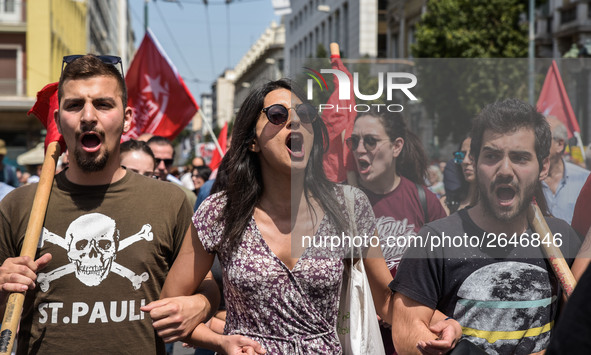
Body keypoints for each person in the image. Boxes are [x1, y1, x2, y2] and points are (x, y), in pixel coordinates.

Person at [144, 79, 461, 354]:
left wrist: (439, 320)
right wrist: (221, 342)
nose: (295, 123)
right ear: (252, 141)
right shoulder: (220, 211)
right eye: (278, 116)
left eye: (306, 115)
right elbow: (167, 311)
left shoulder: (349, 206)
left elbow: (387, 300)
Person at [0, 54, 217, 354]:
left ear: (127, 118)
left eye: (103, 104)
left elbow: (205, 284)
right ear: (58, 118)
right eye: (74, 105)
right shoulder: (18, 206)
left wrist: (201, 303)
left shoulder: (169, 201)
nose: (88, 116)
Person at [391, 99, 581, 354]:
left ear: (543, 167)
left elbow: (577, 328)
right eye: (492, 156)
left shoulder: (562, 238)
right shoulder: (435, 240)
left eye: (520, 158)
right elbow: (406, 331)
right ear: (474, 161)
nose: (505, 170)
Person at [347, 110, 448, 354]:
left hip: (418, 340)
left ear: (396, 146)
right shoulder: (342, 203)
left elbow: (445, 273)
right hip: (364, 340)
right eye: (354, 141)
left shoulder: (425, 201)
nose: (360, 149)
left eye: (370, 141)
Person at [541, 116, 590, 225]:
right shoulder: (527, 179)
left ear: (560, 144)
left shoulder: (585, 180)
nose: (536, 144)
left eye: (542, 139)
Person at [147, 135, 197, 206]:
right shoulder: (131, 191)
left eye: (168, 162)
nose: (162, 167)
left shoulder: (186, 197)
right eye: (156, 160)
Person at [445, 136, 478, 214]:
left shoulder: (497, 205)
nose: (465, 161)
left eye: (473, 154)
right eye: (461, 155)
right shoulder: (448, 202)